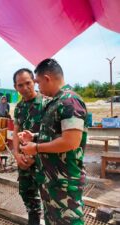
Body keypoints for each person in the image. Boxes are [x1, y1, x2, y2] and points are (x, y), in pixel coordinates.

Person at [20, 59, 87, 225]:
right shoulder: (55, 102)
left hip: (64, 181)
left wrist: (35, 147)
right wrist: (34, 136)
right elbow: (56, 133)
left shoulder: (69, 101)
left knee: (69, 221)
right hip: (51, 180)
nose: (38, 87)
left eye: (38, 82)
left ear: (47, 78)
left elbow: (71, 141)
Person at [13, 68, 45, 225]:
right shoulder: (19, 107)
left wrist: (35, 155)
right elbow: (15, 132)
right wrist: (17, 155)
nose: (25, 88)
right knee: (26, 192)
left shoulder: (46, 103)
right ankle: (34, 219)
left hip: (43, 159)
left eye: (28, 83)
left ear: (34, 82)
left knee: (49, 194)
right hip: (24, 159)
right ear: (15, 87)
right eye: (20, 85)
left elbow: (53, 135)